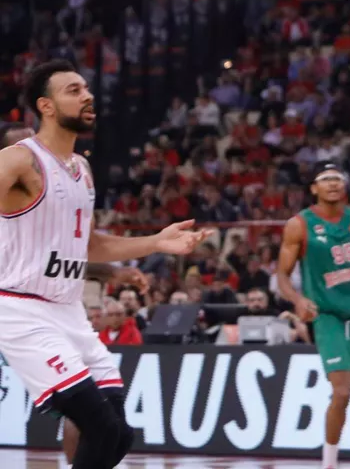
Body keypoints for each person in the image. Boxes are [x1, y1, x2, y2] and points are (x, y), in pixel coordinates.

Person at [0, 59, 208, 469]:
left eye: (87, 88)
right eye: (73, 91)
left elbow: (90, 245)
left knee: (119, 431)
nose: (88, 95)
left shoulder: (83, 168)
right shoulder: (19, 159)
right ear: (46, 106)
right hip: (21, 308)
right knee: (100, 427)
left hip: (69, 310)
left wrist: (157, 242)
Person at [277, 163, 350, 469]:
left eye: (338, 179)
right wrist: (297, 298)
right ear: (314, 189)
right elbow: (282, 275)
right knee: (342, 391)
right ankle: (330, 462)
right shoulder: (299, 225)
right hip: (328, 317)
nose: (333, 184)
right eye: (325, 180)